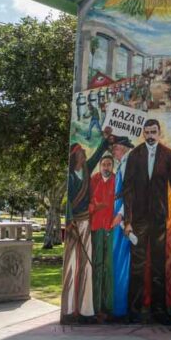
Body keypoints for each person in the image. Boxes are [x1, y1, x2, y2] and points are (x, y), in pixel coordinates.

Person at [122, 119, 171, 323]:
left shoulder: (168, 154)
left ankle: (159, 311)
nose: (150, 135)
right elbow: (127, 189)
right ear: (143, 134)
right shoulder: (134, 155)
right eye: (147, 132)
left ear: (159, 132)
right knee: (137, 265)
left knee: (158, 265)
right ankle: (134, 311)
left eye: (153, 132)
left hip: (159, 218)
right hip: (138, 219)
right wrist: (128, 221)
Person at [62, 139, 107, 319]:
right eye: (80, 152)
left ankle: (86, 309)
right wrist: (70, 219)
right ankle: (68, 309)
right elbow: (68, 203)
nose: (83, 154)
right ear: (75, 156)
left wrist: (104, 142)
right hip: (73, 224)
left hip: (85, 221)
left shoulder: (87, 169)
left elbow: (97, 155)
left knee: (87, 264)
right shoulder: (70, 176)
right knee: (72, 263)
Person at [109, 135, 134, 319]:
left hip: (123, 216)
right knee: (117, 257)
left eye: (116, 148)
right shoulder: (122, 164)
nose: (113, 151)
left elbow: (131, 193)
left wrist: (120, 214)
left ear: (124, 148)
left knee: (120, 258)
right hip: (118, 213)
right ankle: (117, 304)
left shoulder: (127, 165)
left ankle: (120, 307)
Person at [89, 153, 115, 319]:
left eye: (109, 164)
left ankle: (108, 307)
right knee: (97, 265)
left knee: (108, 266)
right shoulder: (93, 180)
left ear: (112, 166)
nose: (106, 167)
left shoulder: (117, 180)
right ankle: (95, 306)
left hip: (111, 228)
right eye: (104, 164)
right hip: (97, 227)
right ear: (100, 166)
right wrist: (96, 207)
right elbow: (88, 203)